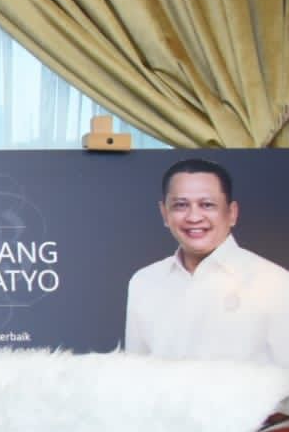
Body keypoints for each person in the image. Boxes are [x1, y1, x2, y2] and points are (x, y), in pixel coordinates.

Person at [124, 157, 289, 368]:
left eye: (207, 205)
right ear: (164, 213)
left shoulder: (275, 283)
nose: (194, 217)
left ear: (232, 213)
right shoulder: (145, 281)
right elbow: (136, 372)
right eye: (180, 205)